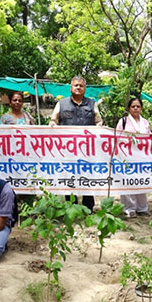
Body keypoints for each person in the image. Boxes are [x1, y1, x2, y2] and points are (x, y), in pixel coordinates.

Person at [49, 76, 103, 212]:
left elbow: (99, 122)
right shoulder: (61, 104)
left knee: (88, 177)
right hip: (67, 151)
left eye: (81, 85)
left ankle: (88, 208)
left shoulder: (92, 104)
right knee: (69, 177)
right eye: (75, 85)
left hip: (87, 151)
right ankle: (70, 208)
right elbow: (53, 121)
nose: (78, 87)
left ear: (85, 89)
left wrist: (98, 130)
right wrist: (53, 128)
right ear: (71, 88)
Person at [116, 97, 150, 218]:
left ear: (141, 108)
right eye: (133, 106)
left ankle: (142, 207)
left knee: (140, 180)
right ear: (129, 108)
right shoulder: (123, 122)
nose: (135, 108)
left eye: (138, 106)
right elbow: (117, 137)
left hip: (141, 156)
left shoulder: (145, 122)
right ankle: (129, 208)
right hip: (126, 155)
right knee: (127, 181)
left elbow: (149, 139)